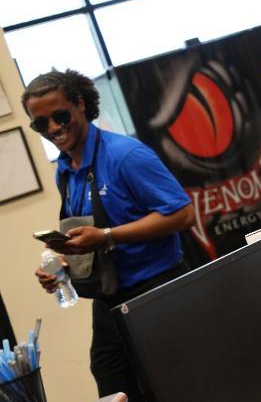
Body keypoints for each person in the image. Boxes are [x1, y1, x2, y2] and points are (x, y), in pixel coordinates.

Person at [23, 70, 194, 401]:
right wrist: (62, 264)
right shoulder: (66, 169)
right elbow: (86, 234)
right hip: (109, 301)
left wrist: (107, 236)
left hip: (158, 293)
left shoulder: (125, 155)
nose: (54, 129)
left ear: (80, 105)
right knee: (112, 388)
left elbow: (182, 213)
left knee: (176, 386)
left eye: (60, 116)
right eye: (41, 124)